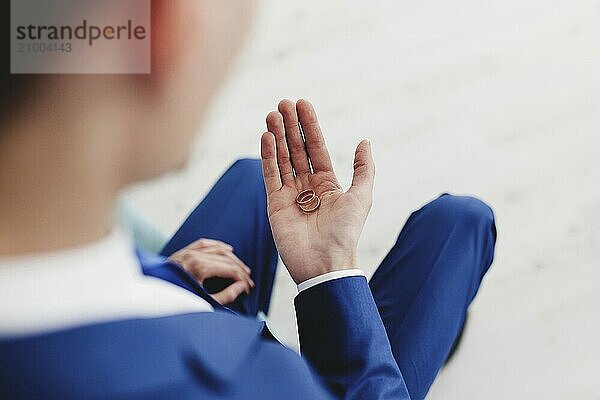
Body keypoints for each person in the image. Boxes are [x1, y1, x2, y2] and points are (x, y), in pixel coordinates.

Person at [0, 1, 496, 399]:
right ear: (164, 30)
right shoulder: (265, 386)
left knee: (253, 177)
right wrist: (331, 270)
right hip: (257, 359)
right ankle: (437, 336)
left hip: (180, 303)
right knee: (461, 224)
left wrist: (160, 277)